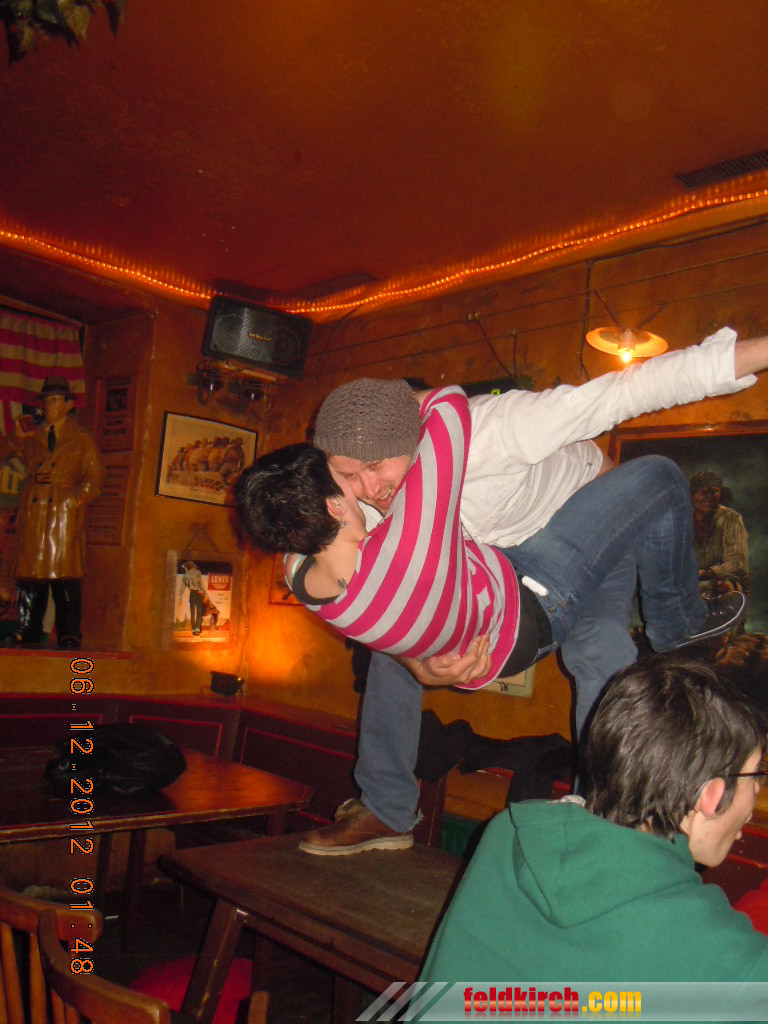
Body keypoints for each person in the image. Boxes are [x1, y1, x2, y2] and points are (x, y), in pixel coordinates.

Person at [292, 326, 768, 855]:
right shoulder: (363, 504)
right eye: (348, 475)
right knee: (393, 645)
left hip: (583, 518)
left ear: (414, 438)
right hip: (499, 565)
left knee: (600, 651)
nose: (369, 489)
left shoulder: (494, 430)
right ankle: (386, 808)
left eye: (376, 466)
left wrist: (753, 352)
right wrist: (421, 664)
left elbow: (626, 391)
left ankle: (604, 815)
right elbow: (376, 606)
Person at [417, 655, 768, 994]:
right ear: (711, 795)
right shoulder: (736, 967)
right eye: (756, 777)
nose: (755, 797)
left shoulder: (510, 834)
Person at [0, 376, 104, 650]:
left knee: (64, 576)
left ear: (68, 405)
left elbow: (96, 479)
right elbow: (4, 453)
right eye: (47, 401)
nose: (50, 406)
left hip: (63, 513)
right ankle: (27, 628)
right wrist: (15, 438)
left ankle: (69, 632)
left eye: (56, 400)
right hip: (34, 512)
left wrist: (74, 500)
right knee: (30, 575)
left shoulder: (81, 438)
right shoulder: (31, 436)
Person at [690, 470, 749, 599]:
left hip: (720, 589)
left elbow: (737, 564)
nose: (709, 498)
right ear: (692, 495)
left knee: (726, 586)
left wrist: (707, 573)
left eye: (714, 492)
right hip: (688, 588)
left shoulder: (731, 519)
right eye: (703, 493)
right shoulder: (681, 521)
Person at [178, 560, 206, 637]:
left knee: (192, 612)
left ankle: (193, 630)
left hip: (192, 594)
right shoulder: (197, 572)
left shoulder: (186, 575)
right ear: (193, 566)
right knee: (199, 613)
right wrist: (205, 594)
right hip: (199, 593)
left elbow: (182, 588)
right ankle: (197, 630)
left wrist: (180, 598)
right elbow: (201, 584)